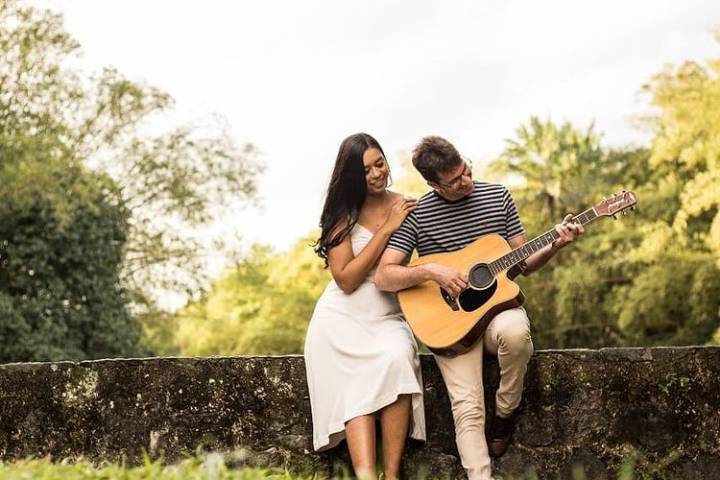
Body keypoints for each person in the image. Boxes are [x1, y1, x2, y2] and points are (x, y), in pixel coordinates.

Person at [374, 136, 584, 480]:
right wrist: (430, 270)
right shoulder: (417, 215)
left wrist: (557, 243)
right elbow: (384, 276)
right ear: (433, 184)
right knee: (468, 410)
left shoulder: (498, 196)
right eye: (454, 181)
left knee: (516, 333)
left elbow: (525, 262)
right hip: (449, 326)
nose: (465, 182)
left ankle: (505, 410)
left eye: (466, 171)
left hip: (496, 313)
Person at [304, 133, 426, 480]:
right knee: (356, 385)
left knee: (399, 355)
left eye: (380, 163)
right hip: (340, 319)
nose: (376, 174)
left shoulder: (407, 205)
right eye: (365, 170)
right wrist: (386, 229)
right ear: (352, 177)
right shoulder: (342, 215)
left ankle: (392, 473)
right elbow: (346, 279)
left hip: (386, 315)